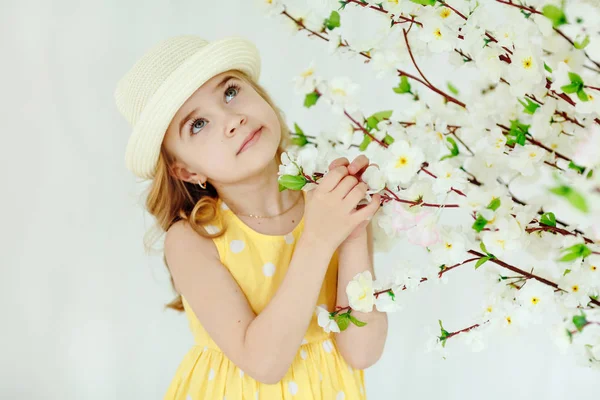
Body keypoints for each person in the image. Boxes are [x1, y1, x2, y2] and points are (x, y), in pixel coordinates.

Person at [114, 34, 385, 399]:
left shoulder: (325, 206)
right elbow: (264, 364)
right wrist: (320, 238)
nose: (232, 119)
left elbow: (362, 352)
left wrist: (351, 235)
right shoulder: (194, 239)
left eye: (230, 92)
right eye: (198, 124)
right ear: (184, 171)